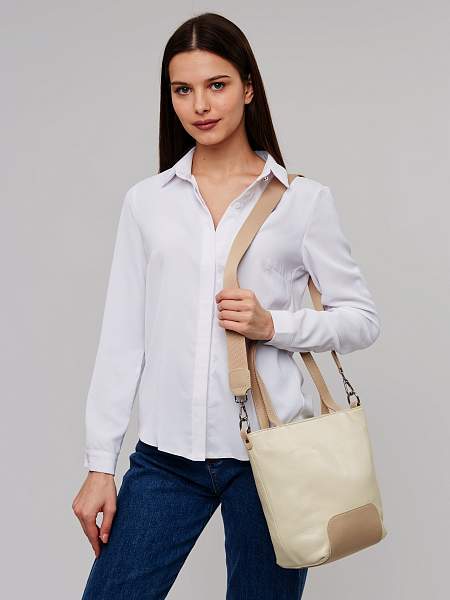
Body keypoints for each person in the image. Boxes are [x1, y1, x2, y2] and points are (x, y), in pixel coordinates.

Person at [73, 12, 381, 600]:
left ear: (247, 87)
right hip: (165, 459)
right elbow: (122, 341)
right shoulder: (147, 203)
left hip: (271, 459)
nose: (200, 105)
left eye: (216, 85)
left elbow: (363, 320)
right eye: (182, 89)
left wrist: (274, 324)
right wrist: (99, 464)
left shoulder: (302, 201)